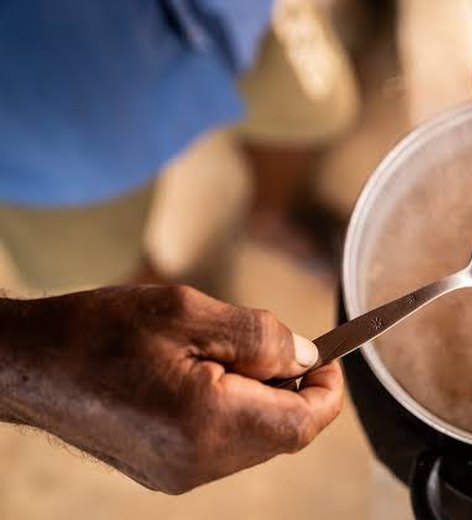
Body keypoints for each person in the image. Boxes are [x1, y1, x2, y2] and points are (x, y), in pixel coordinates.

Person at [0, 0, 354, 493]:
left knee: (310, 114)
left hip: (243, 17)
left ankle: (272, 215)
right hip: (38, 112)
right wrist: (24, 363)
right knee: (105, 270)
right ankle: (161, 308)